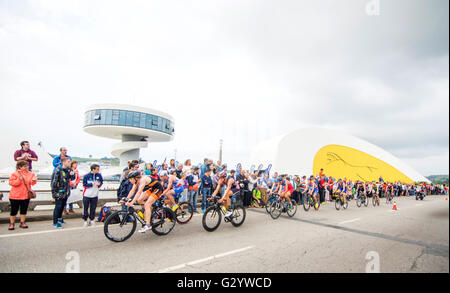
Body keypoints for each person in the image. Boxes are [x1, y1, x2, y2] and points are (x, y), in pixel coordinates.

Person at [8, 160, 37, 230]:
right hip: (15, 195)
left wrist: (34, 180)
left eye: (27, 166)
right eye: (24, 166)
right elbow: (11, 183)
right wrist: (19, 180)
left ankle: (22, 222)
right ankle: (12, 223)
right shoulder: (15, 174)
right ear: (19, 167)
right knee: (14, 210)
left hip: (26, 195)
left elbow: (32, 183)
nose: (27, 167)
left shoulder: (31, 174)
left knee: (24, 210)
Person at [51, 157, 75, 228]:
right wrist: (54, 193)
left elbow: (72, 178)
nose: (69, 163)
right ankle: (55, 222)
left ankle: (60, 218)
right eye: (68, 161)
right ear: (63, 162)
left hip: (66, 191)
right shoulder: (58, 170)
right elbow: (54, 182)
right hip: (59, 192)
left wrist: (72, 174)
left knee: (62, 206)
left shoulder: (69, 169)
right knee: (58, 207)